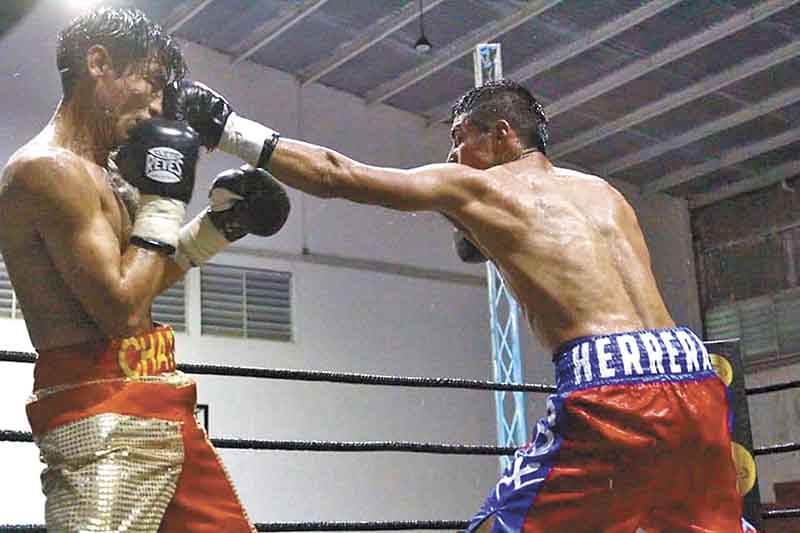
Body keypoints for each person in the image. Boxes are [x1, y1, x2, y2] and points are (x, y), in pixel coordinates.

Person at [164, 78, 751, 532]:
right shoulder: (605, 193)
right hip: (695, 377)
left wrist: (226, 128)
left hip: (611, 391)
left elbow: (338, 174)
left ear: (500, 134)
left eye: (459, 138)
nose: (451, 154)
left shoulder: (479, 186)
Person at [0, 7, 289, 532]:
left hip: (157, 392)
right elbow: (121, 310)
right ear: (99, 63)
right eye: (152, 84)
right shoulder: (45, 171)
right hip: (99, 412)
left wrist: (214, 229)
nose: (158, 107)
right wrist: (164, 195)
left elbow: (140, 282)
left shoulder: (107, 174)